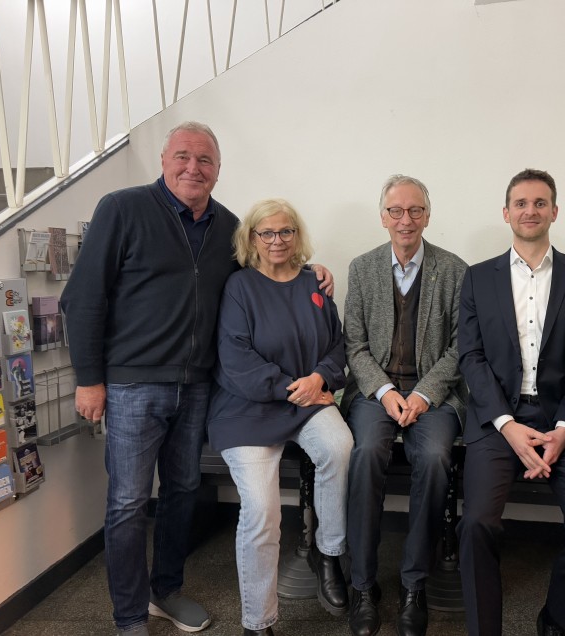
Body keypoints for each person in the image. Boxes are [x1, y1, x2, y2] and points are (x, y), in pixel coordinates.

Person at [61, 121, 333, 636]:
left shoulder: (229, 226)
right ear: (163, 160)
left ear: (218, 169)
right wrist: (89, 378)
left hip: (199, 385)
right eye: (183, 156)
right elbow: (83, 297)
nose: (193, 167)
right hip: (131, 383)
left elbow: (266, 267)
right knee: (127, 501)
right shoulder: (122, 209)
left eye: (205, 160)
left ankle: (167, 590)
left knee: (183, 489)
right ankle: (128, 615)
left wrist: (311, 271)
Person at [457, 169, 565, 636]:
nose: (530, 211)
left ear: (554, 212)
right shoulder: (478, 277)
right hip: (497, 420)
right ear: (506, 213)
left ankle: (553, 619)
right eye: (520, 203)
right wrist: (506, 424)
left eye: (540, 203)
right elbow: (471, 356)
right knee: (477, 525)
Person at [207, 199, 352, 636]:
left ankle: (327, 554)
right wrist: (298, 388)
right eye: (265, 233)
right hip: (247, 408)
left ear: (297, 236)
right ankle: (259, 621)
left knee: (341, 447)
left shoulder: (315, 283)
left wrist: (320, 378)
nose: (276, 240)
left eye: (285, 231)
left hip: (307, 402)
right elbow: (236, 359)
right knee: (262, 511)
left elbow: (338, 346)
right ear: (251, 238)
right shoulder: (239, 288)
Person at [342, 175, 467, 636]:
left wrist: (421, 394)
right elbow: (353, 345)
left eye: (415, 210)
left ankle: (414, 583)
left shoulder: (454, 270)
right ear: (383, 217)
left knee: (435, 458)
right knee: (366, 454)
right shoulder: (362, 268)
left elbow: (459, 347)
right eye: (396, 211)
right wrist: (385, 392)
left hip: (432, 395)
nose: (405, 219)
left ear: (428, 216)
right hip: (376, 393)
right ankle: (362, 584)